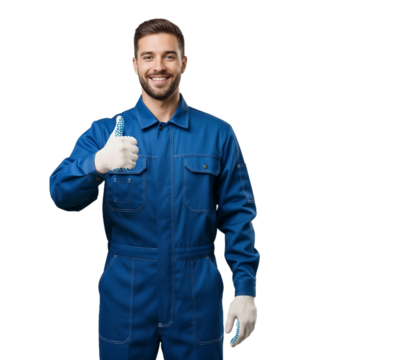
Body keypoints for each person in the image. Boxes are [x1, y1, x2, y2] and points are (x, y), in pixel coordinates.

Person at [48, 18, 260, 360]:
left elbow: (238, 216)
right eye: (148, 57)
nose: (158, 67)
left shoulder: (218, 133)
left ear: (185, 62)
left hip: (196, 294)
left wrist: (245, 291)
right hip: (127, 294)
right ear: (133, 63)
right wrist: (96, 165)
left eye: (168, 56)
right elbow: (60, 194)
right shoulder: (105, 132)